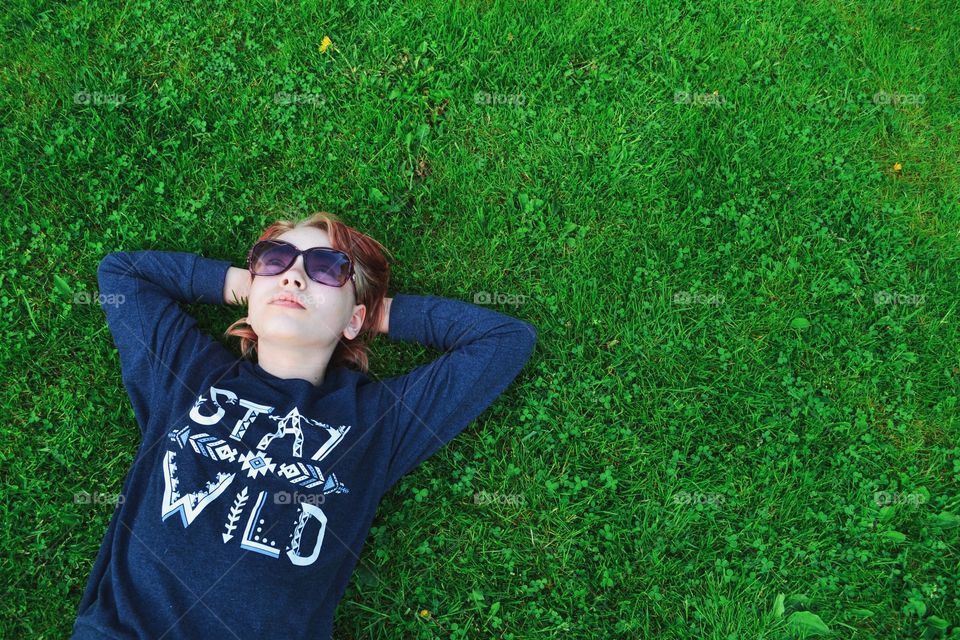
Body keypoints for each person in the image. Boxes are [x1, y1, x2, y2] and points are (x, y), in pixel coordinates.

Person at [71, 212, 537, 639]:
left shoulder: (376, 422)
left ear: (355, 319)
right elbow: (124, 273)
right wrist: (256, 288)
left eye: (328, 268)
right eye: (275, 260)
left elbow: (503, 340)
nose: (294, 274)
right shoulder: (187, 374)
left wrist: (372, 311)